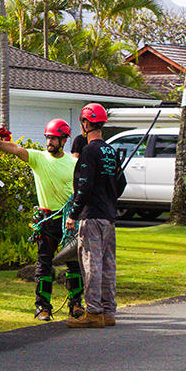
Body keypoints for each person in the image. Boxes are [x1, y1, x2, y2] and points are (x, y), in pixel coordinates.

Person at [0, 119, 84, 321]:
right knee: (44, 264)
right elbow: (15, 149)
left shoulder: (74, 163)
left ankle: (76, 305)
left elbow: (80, 191)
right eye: (48, 137)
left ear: (64, 140)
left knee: (74, 264)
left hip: (69, 220)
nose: (49, 142)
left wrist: (75, 215)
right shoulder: (38, 158)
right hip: (47, 219)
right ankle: (42, 307)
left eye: (54, 138)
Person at [64, 103, 121, 329]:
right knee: (108, 264)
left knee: (91, 264)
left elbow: (84, 186)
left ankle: (94, 312)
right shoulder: (110, 150)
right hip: (109, 216)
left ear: (85, 124)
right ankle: (108, 311)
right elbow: (120, 182)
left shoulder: (89, 151)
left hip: (92, 216)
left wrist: (73, 214)